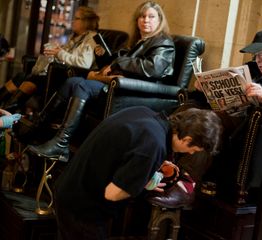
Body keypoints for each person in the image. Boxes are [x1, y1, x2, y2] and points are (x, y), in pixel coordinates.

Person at [27, 1, 175, 162]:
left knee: (83, 85)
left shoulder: (163, 42)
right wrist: (105, 57)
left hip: (135, 92)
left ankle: (61, 144)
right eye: (142, 16)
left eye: (151, 16)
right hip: (121, 84)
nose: (146, 20)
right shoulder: (141, 41)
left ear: (159, 20)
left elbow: (153, 68)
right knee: (72, 82)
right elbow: (120, 60)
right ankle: (38, 128)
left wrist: (118, 63)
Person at [53, 106, 222, 240]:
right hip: (82, 209)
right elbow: (113, 194)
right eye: (193, 149)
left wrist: (144, 171)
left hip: (70, 188)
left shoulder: (146, 114)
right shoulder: (153, 145)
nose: (191, 154)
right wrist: (141, 183)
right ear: (187, 139)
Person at [0, 6, 100, 112]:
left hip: (69, 78)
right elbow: (63, 55)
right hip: (57, 73)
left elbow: (84, 63)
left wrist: (59, 52)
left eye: (76, 18)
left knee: (34, 79)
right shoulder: (75, 37)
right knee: (22, 76)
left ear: (86, 21)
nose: (72, 21)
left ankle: (5, 113)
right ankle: (4, 110)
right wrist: (55, 51)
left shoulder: (91, 38)